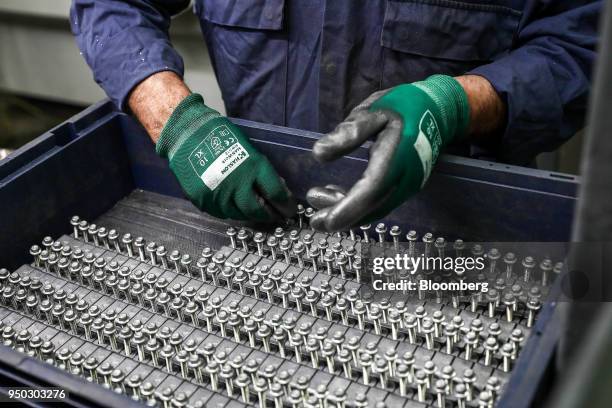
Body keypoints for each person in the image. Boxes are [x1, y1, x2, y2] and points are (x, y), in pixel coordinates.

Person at [71, 1, 600, 231]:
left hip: (450, 246)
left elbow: (581, 43)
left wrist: (454, 103)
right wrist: (175, 119)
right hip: (261, 207)